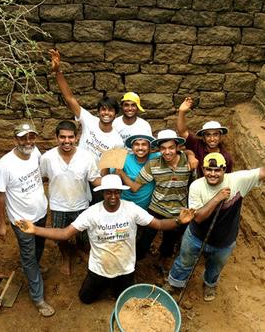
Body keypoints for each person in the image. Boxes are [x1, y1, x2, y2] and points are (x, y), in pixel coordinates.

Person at [16, 174, 196, 304]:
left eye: (116, 192)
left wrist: (179, 221)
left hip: (125, 268)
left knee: (123, 300)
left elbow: (159, 225)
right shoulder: (92, 213)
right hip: (99, 268)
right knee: (85, 299)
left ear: (120, 192)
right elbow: (64, 234)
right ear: (102, 193)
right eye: (108, 192)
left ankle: (116, 288)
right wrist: (34, 229)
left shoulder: (131, 209)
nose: (113, 196)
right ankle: (103, 285)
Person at [167, 152, 265, 302]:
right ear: (203, 169)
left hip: (224, 240)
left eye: (217, 170)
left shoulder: (238, 180)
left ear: (224, 170)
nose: (213, 174)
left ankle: (209, 284)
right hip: (196, 236)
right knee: (185, 261)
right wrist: (217, 198)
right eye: (209, 170)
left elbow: (262, 172)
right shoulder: (196, 186)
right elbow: (198, 218)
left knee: (215, 267)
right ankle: (175, 283)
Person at [0, 123, 54, 317]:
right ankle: (38, 297)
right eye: (23, 138)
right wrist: (1, 224)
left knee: (38, 247)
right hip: (21, 220)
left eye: (31, 137)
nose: (28, 141)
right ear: (15, 140)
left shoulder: (35, 152)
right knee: (28, 256)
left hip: (41, 212)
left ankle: (33, 268)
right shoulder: (4, 165)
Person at [117, 129, 197, 268]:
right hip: (156, 208)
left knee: (169, 241)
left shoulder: (188, 163)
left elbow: (193, 181)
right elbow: (135, 187)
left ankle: (161, 262)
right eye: (163, 148)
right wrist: (121, 173)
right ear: (159, 149)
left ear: (178, 147)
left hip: (178, 211)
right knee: (145, 239)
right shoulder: (153, 164)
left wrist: (191, 155)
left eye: (171, 147)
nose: (167, 152)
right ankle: (135, 261)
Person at [40, 120, 101, 275]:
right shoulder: (47, 158)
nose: (66, 141)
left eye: (70, 137)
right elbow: (43, 178)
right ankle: (66, 257)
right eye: (62, 137)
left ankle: (81, 251)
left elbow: (95, 180)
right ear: (56, 137)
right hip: (58, 205)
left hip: (81, 203)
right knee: (60, 237)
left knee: (83, 234)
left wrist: (113, 183)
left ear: (76, 137)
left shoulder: (87, 157)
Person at [49, 49, 124, 163]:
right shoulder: (89, 120)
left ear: (116, 114)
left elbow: (114, 168)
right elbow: (69, 98)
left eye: (110, 110)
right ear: (98, 112)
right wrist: (58, 71)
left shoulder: (117, 141)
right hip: (78, 170)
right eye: (103, 109)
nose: (106, 113)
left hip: (97, 178)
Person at [177, 96, 233, 177]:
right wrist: (181, 112)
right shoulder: (197, 145)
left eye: (215, 134)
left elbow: (227, 179)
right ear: (203, 137)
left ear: (221, 137)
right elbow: (182, 132)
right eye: (208, 135)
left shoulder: (226, 157)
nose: (212, 139)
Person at [115, 134, 158, 210]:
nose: (140, 148)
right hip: (125, 205)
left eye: (144, 144)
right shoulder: (125, 159)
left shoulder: (155, 158)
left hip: (146, 208)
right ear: (132, 147)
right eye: (137, 144)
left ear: (149, 147)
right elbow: (114, 177)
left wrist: (122, 173)